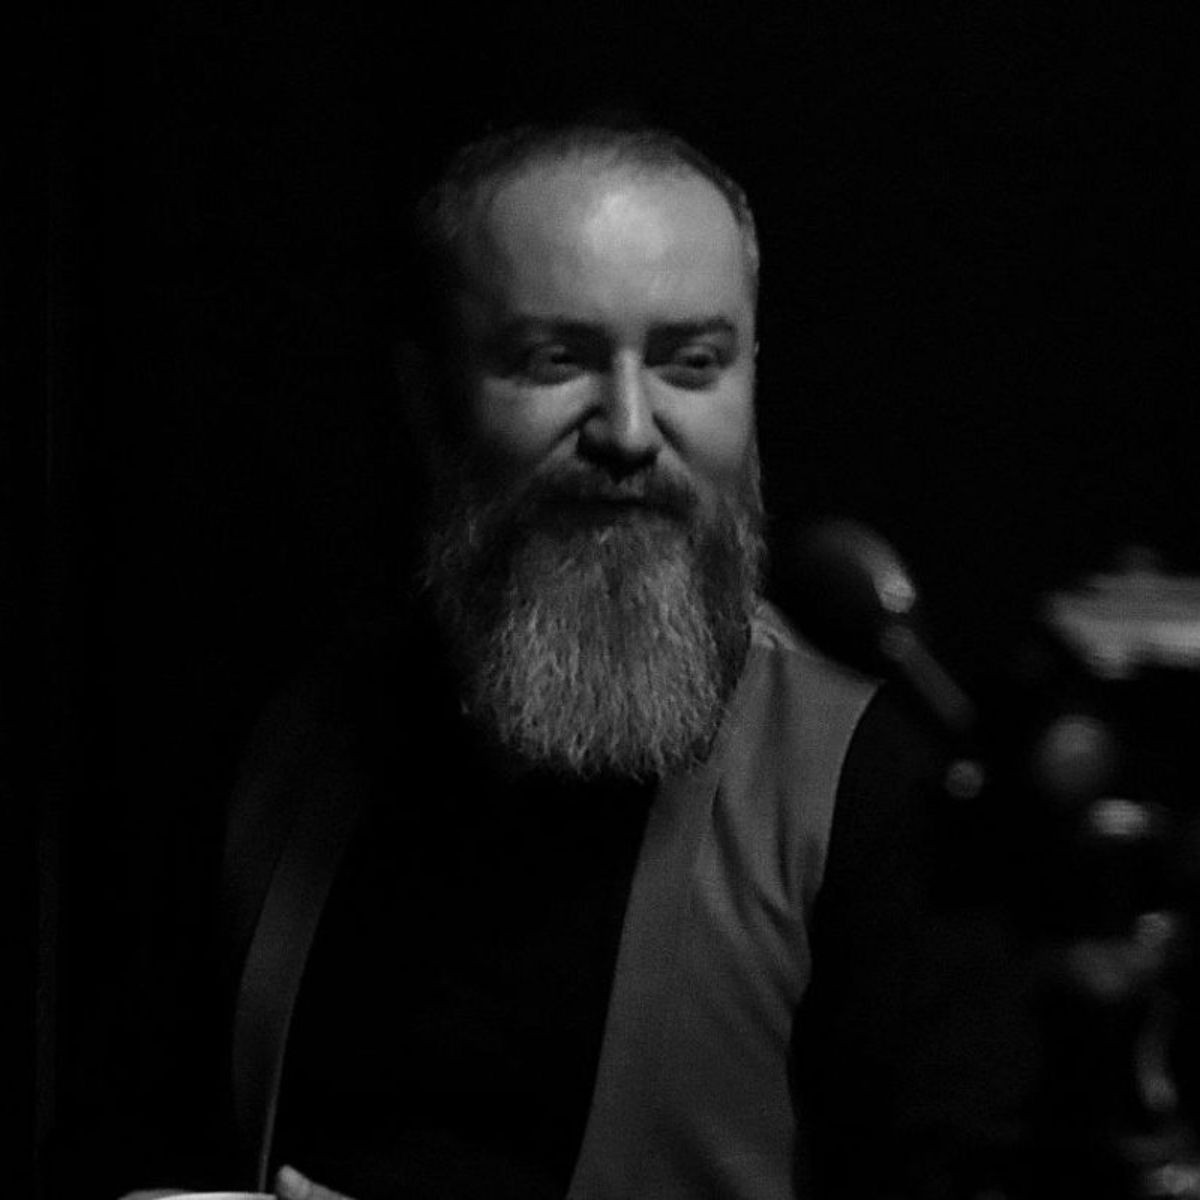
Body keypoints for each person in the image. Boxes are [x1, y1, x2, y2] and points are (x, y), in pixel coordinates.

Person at [57, 118, 1037, 1200]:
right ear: (427, 396)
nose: (629, 429)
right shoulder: (282, 756)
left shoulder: (876, 801)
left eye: (692, 364)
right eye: (555, 361)